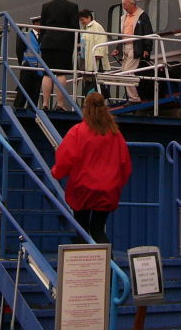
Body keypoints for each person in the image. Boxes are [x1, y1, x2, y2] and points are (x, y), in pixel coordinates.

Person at [51, 92, 132, 245]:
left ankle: (84, 259)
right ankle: (107, 260)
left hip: (83, 187)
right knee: (98, 229)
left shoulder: (78, 131)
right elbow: (125, 163)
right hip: (107, 188)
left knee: (81, 229)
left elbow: (65, 158)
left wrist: (56, 173)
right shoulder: (115, 133)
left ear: (86, 108)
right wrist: (117, 184)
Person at [39, 0, 80, 110]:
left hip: (47, 42)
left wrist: (41, 41)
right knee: (61, 73)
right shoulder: (72, 6)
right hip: (63, 43)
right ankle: (60, 104)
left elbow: (42, 26)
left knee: (47, 73)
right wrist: (77, 43)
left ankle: (45, 103)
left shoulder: (46, 6)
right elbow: (75, 27)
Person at [116, 0, 153, 103]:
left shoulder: (142, 16)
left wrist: (147, 48)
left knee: (127, 72)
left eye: (125, 4)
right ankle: (131, 97)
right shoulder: (124, 17)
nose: (124, 7)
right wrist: (118, 48)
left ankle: (134, 98)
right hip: (125, 46)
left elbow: (147, 32)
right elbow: (121, 33)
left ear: (132, 4)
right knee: (124, 72)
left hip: (136, 46)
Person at [13, 18, 42, 109]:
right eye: (40, 23)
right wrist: (22, 64)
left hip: (40, 69)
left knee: (35, 94)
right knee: (23, 91)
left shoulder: (44, 37)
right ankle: (17, 109)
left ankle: (31, 111)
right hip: (28, 67)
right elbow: (19, 51)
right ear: (35, 24)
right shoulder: (25, 35)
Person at [78, 9, 108, 95]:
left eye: (83, 19)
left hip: (94, 60)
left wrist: (98, 53)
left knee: (94, 82)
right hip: (85, 59)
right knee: (88, 81)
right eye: (80, 20)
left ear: (89, 17)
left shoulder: (96, 26)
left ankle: (95, 98)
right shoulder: (85, 28)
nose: (82, 22)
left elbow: (101, 40)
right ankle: (89, 98)